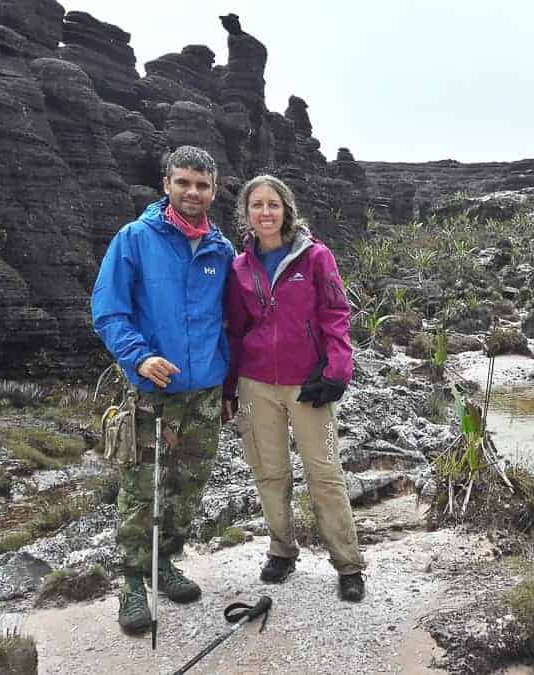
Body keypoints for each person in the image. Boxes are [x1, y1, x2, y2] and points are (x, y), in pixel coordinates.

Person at [91, 146, 235, 633]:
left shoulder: (222, 249)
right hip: (154, 391)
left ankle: (164, 564)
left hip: (207, 393)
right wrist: (138, 356)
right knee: (141, 487)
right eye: (184, 183)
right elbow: (108, 310)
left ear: (213, 191)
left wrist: (229, 383)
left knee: (186, 487)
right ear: (167, 185)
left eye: (202, 185)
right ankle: (132, 584)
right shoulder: (134, 239)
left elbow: (230, 323)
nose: (193, 192)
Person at [222, 174, 365, 602]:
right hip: (255, 384)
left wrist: (338, 369)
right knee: (269, 473)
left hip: (308, 385)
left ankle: (348, 564)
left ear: (287, 209)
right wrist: (229, 387)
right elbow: (234, 328)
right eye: (257, 205)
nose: (265, 212)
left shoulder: (316, 257)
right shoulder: (239, 267)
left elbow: (336, 313)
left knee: (324, 474)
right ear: (246, 214)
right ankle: (282, 550)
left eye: (273, 204)